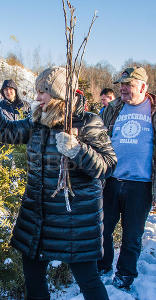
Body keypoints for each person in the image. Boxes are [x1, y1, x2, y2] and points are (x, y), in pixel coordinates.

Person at [0, 66, 117, 300]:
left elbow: (107, 166)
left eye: (42, 92)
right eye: (37, 91)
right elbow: (6, 131)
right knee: (33, 277)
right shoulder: (37, 121)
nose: (37, 97)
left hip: (74, 218)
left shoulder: (87, 122)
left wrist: (77, 150)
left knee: (88, 280)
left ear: (59, 94)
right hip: (38, 214)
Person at [98, 66, 155, 289]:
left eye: (128, 85)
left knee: (132, 235)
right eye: (121, 85)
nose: (123, 89)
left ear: (143, 87)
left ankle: (125, 276)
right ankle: (102, 267)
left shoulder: (153, 109)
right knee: (103, 228)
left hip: (140, 185)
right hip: (111, 180)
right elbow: (99, 135)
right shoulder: (113, 108)